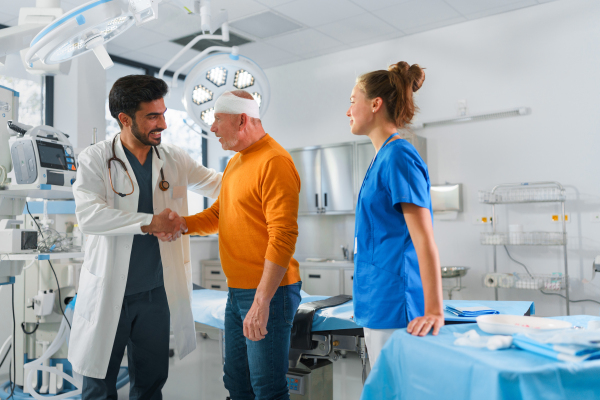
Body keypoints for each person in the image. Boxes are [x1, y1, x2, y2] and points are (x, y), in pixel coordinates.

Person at [69, 75, 222, 399]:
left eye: (164, 114)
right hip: (109, 290)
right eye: (153, 116)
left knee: (151, 384)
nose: (163, 124)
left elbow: (218, 183)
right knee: (98, 385)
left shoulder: (174, 158)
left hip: (155, 294)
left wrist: (258, 164)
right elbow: (90, 216)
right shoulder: (95, 159)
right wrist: (152, 222)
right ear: (125, 119)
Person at [159, 90, 302, 400]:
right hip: (237, 292)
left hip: (270, 292)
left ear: (241, 120)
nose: (212, 128)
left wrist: (262, 302)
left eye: (217, 120)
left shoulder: (275, 161)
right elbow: (220, 214)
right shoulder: (236, 163)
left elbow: (284, 235)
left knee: (268, 388)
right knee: (237, 383)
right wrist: (183, 224)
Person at [346, 61, 444, 368]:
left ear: (375, 104)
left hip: (395, 303)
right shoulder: (381, 156)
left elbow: (424, 239)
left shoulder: (398, 156)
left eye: (352, 101)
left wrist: (434, 310)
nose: (348, 111)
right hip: (376, 300)